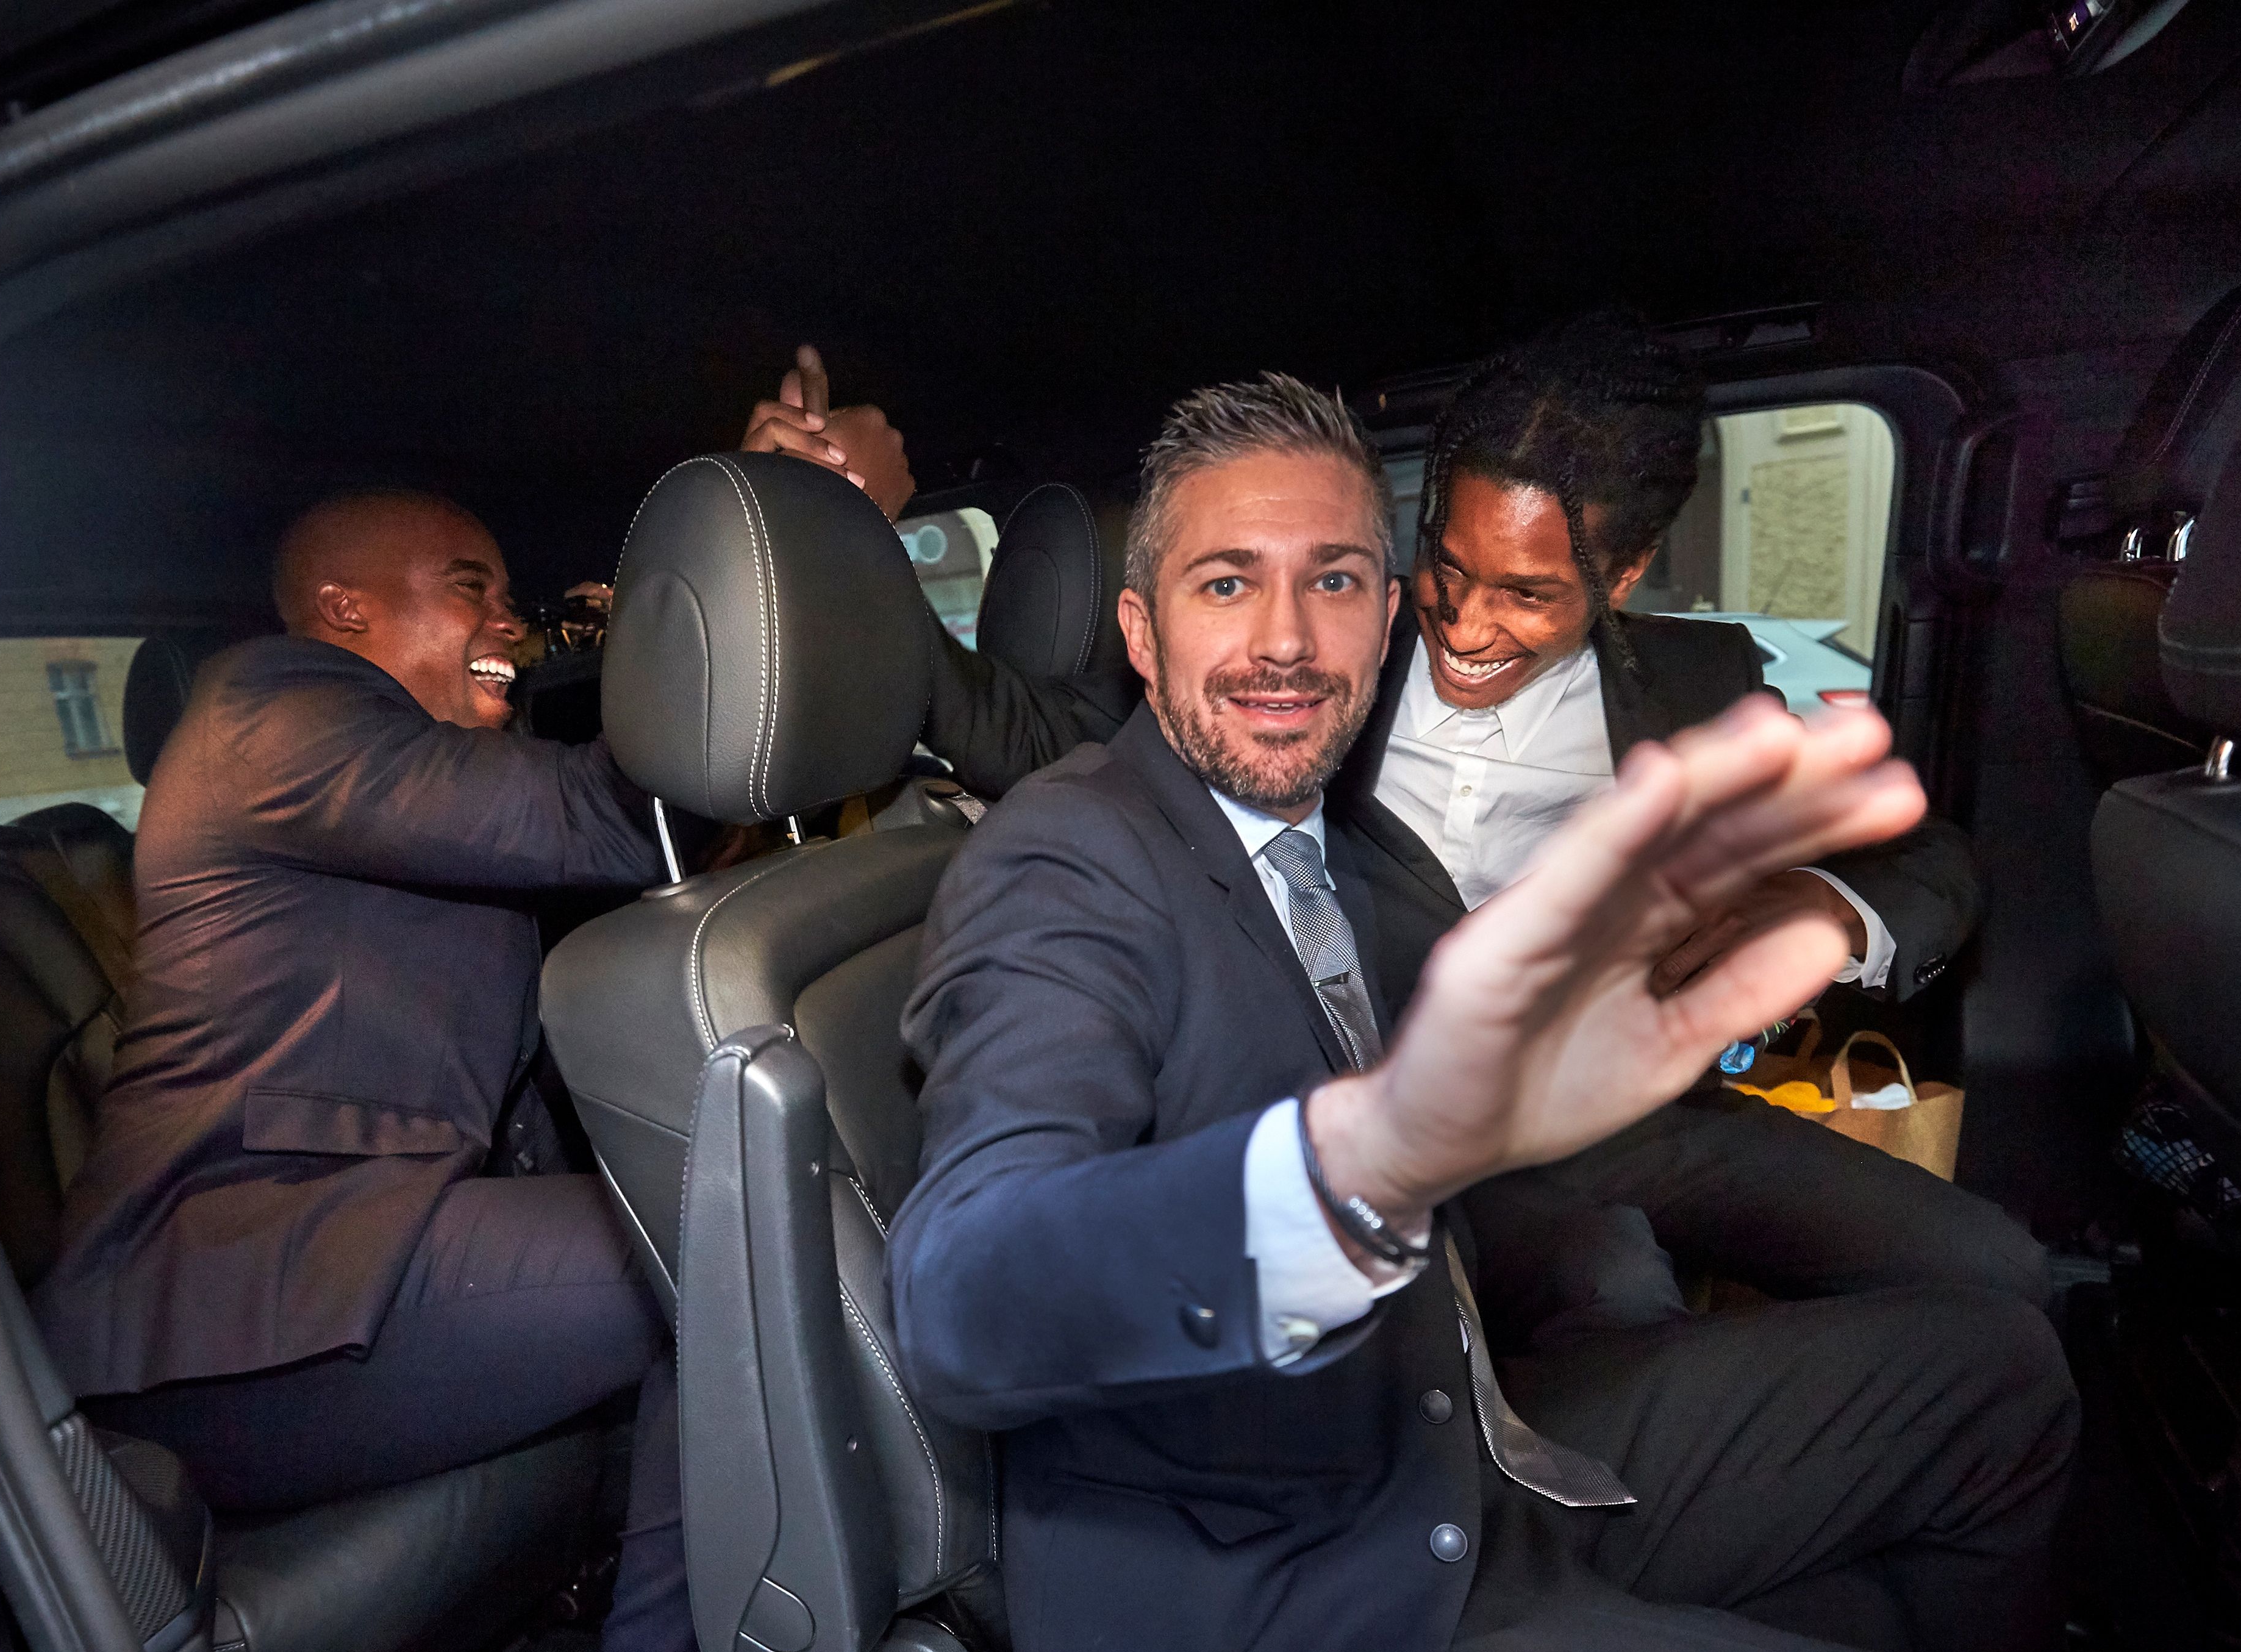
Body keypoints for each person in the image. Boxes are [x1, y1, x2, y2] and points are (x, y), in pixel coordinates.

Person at [887, 375, 2241, 1652]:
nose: (1287, 637)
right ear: (1140, 633)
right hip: (1310, 1651)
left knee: (1994, 1373)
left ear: (1385, 606)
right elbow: (969, 1285)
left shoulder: (1343, 854)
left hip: (1463, 1458)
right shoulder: (1065, 868)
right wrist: (1372, 1151)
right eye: (1228, 584)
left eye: (1335, 579)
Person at [30, 488, 898, 1652]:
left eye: (509, 595)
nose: (505, 622)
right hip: (221, 1305)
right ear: (347, 611)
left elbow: (612, 801)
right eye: (467, 588)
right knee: (729, 1265)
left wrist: (676, 615)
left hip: (345, 1260)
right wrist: (762, 625)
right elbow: (598, 815)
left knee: (731, 1233)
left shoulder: (392, 760)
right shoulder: (272, 707)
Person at [784, 318, 2047, 1318]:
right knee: (1609, 1289)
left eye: (1528, 593)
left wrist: (1818, 909)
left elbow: (1928, 859)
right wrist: (852, 544)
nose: (1465, 619)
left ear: (1623, 574)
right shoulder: (1320, 670)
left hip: (1634, 1111)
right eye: (1443, 566)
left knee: (1992, 1271)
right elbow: (1028, 727)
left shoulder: (1703, 689)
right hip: (1394, 1114)